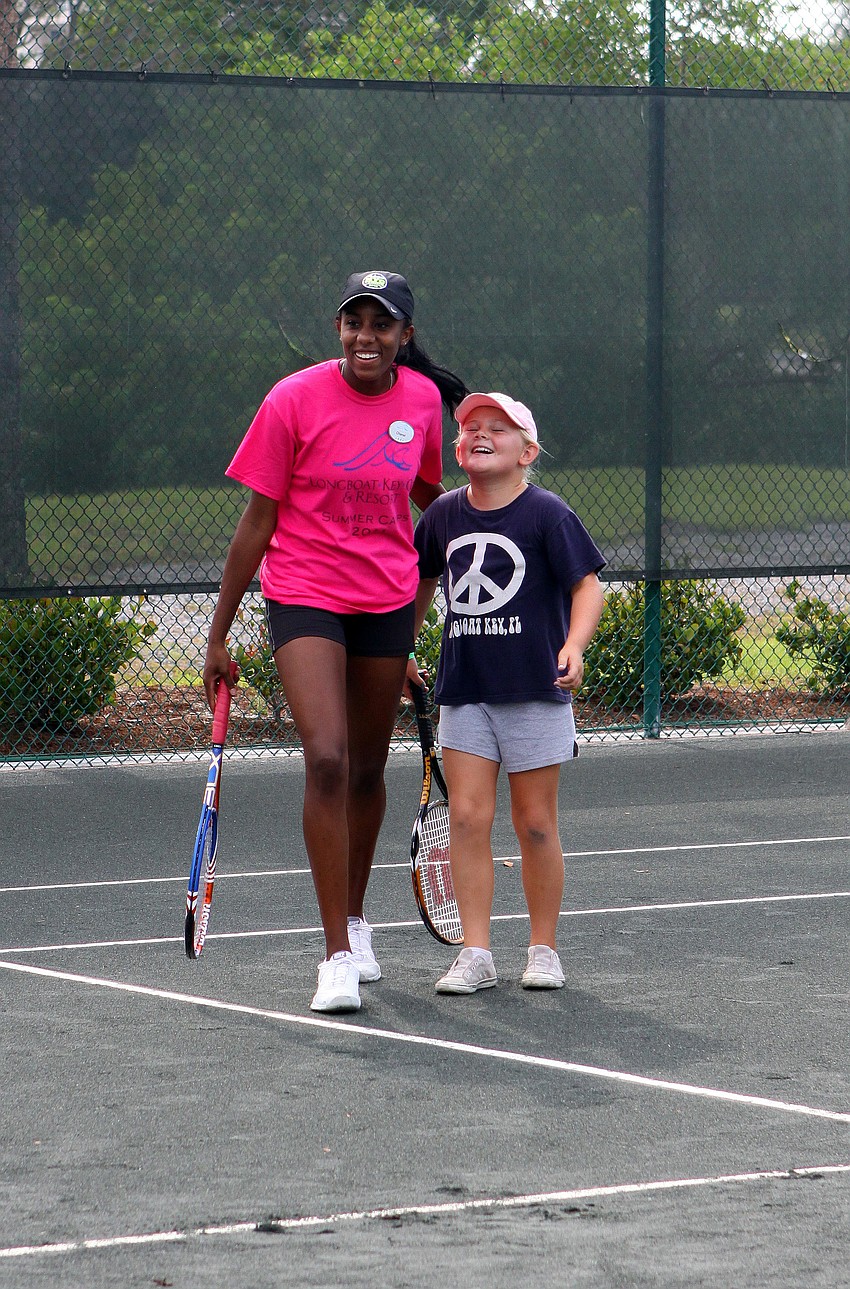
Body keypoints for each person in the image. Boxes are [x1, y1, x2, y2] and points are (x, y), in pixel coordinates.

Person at [203, 270, 467, 1014]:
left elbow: (423, 495)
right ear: (338, 329)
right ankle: (336, 955)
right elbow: (258, 520)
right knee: (327, 757)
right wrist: (218, 634)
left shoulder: (419, 401)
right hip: (305, 594)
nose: (365, 336)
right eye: (353, 322)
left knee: (366, 769)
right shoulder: (292, 399)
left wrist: (496, 505)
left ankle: (356, 916)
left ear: (404, 336)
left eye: (381, 324)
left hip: (386, 598)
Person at [412, 391, 605, 994]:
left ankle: (543, 949)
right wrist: (400, 650)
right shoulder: (442, 515)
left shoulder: (548, 514)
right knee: (468, 819)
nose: (479, 434)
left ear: (528, 452)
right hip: (465, 693)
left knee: (536, 824)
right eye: (470, 427)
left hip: (535, 693)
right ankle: (476, 952)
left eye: (499, 428)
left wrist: (574, 646)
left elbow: (588, 587)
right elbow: (418, 588)